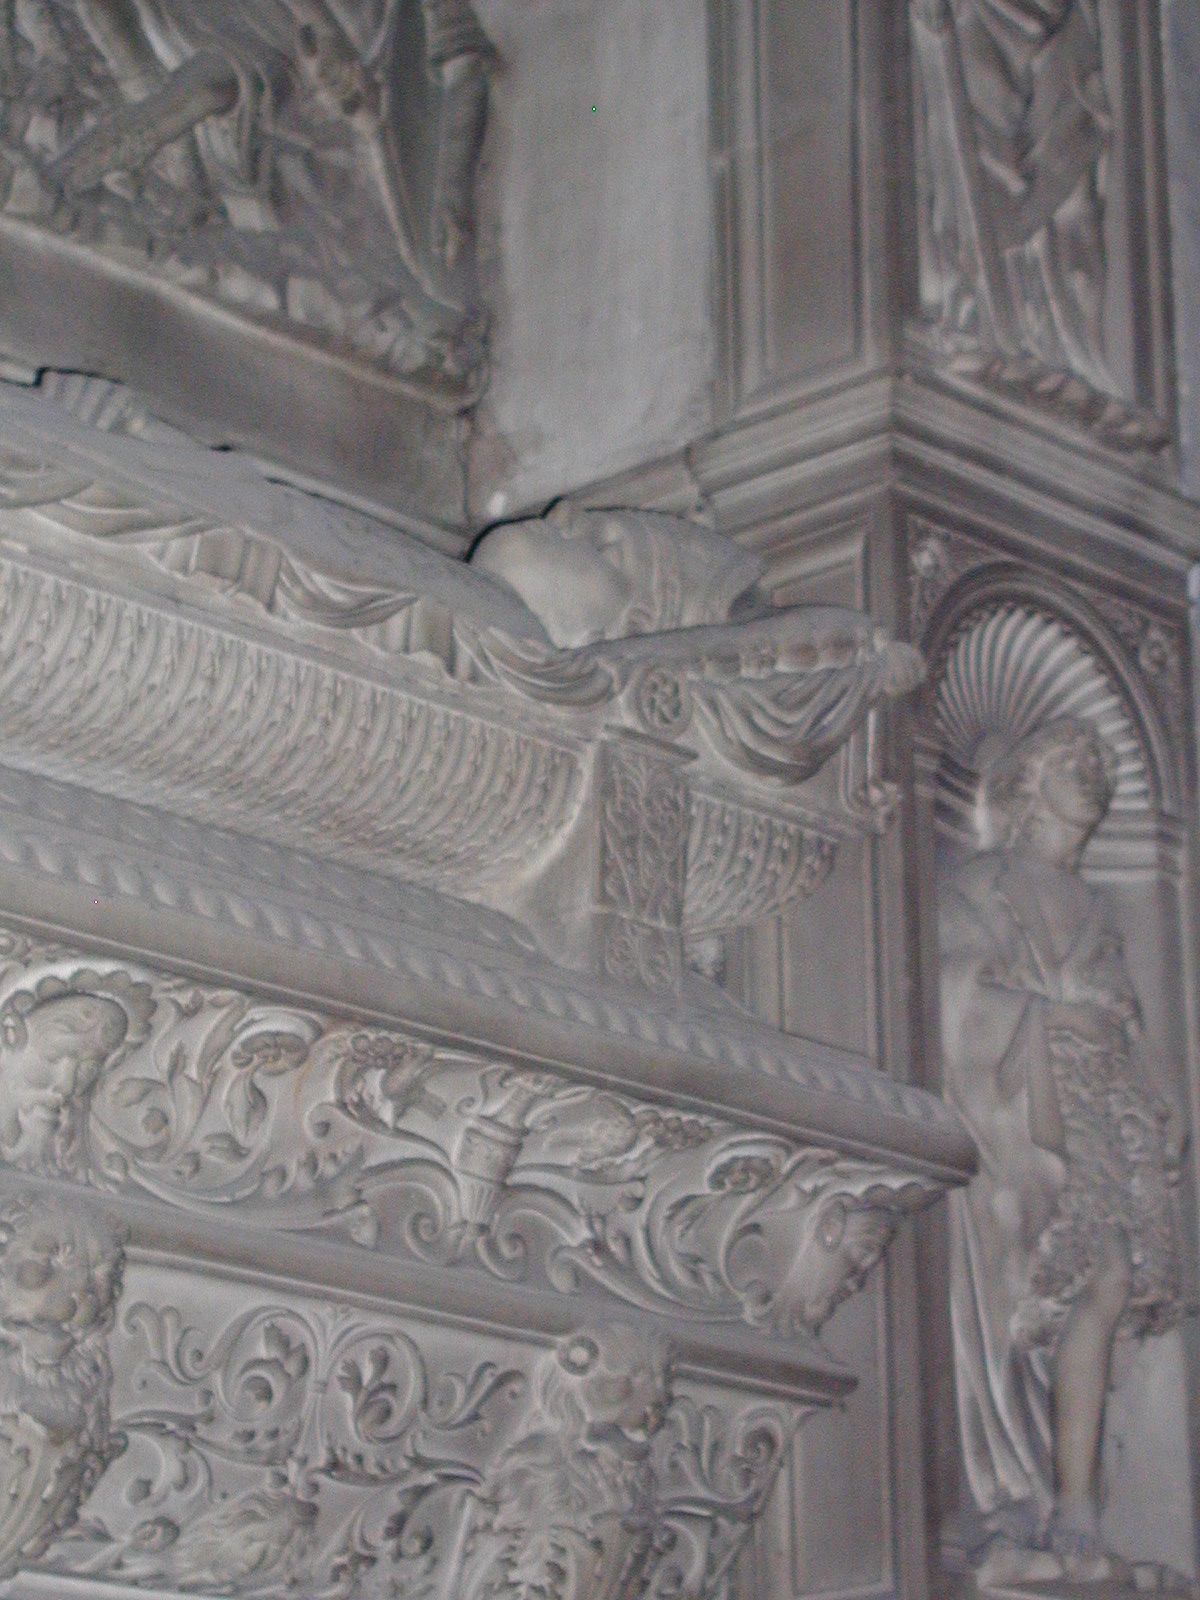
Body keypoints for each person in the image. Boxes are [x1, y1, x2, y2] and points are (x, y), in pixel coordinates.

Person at [938, 718, 1182, 1583]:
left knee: (1108, 1278)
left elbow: (1129, 1019)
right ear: (1028, 782)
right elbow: (953, 990)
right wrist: (1047, 1017)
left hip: (1099, 1113)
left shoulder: (1101, 908)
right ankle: (1032, 1491)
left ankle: (1077, 1497)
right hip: (1015, 1113)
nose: (1095, 772)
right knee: (1047, 1287)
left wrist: (1158, 1097)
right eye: (1074, 760)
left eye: (1102, 762)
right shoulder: (980, 881)